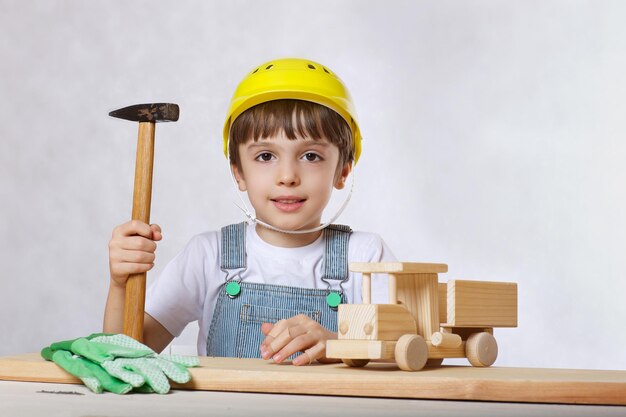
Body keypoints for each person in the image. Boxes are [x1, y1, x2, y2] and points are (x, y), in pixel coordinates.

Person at [104, 58, 395, 366]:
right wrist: (120, 285)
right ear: (238, 173)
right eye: (266, 155)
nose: (287, 176)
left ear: (343, 171)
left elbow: (406, 355)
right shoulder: (208, 256)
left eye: (310, 156)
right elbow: (127, 353)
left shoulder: (366, 259)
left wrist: (340, 347)